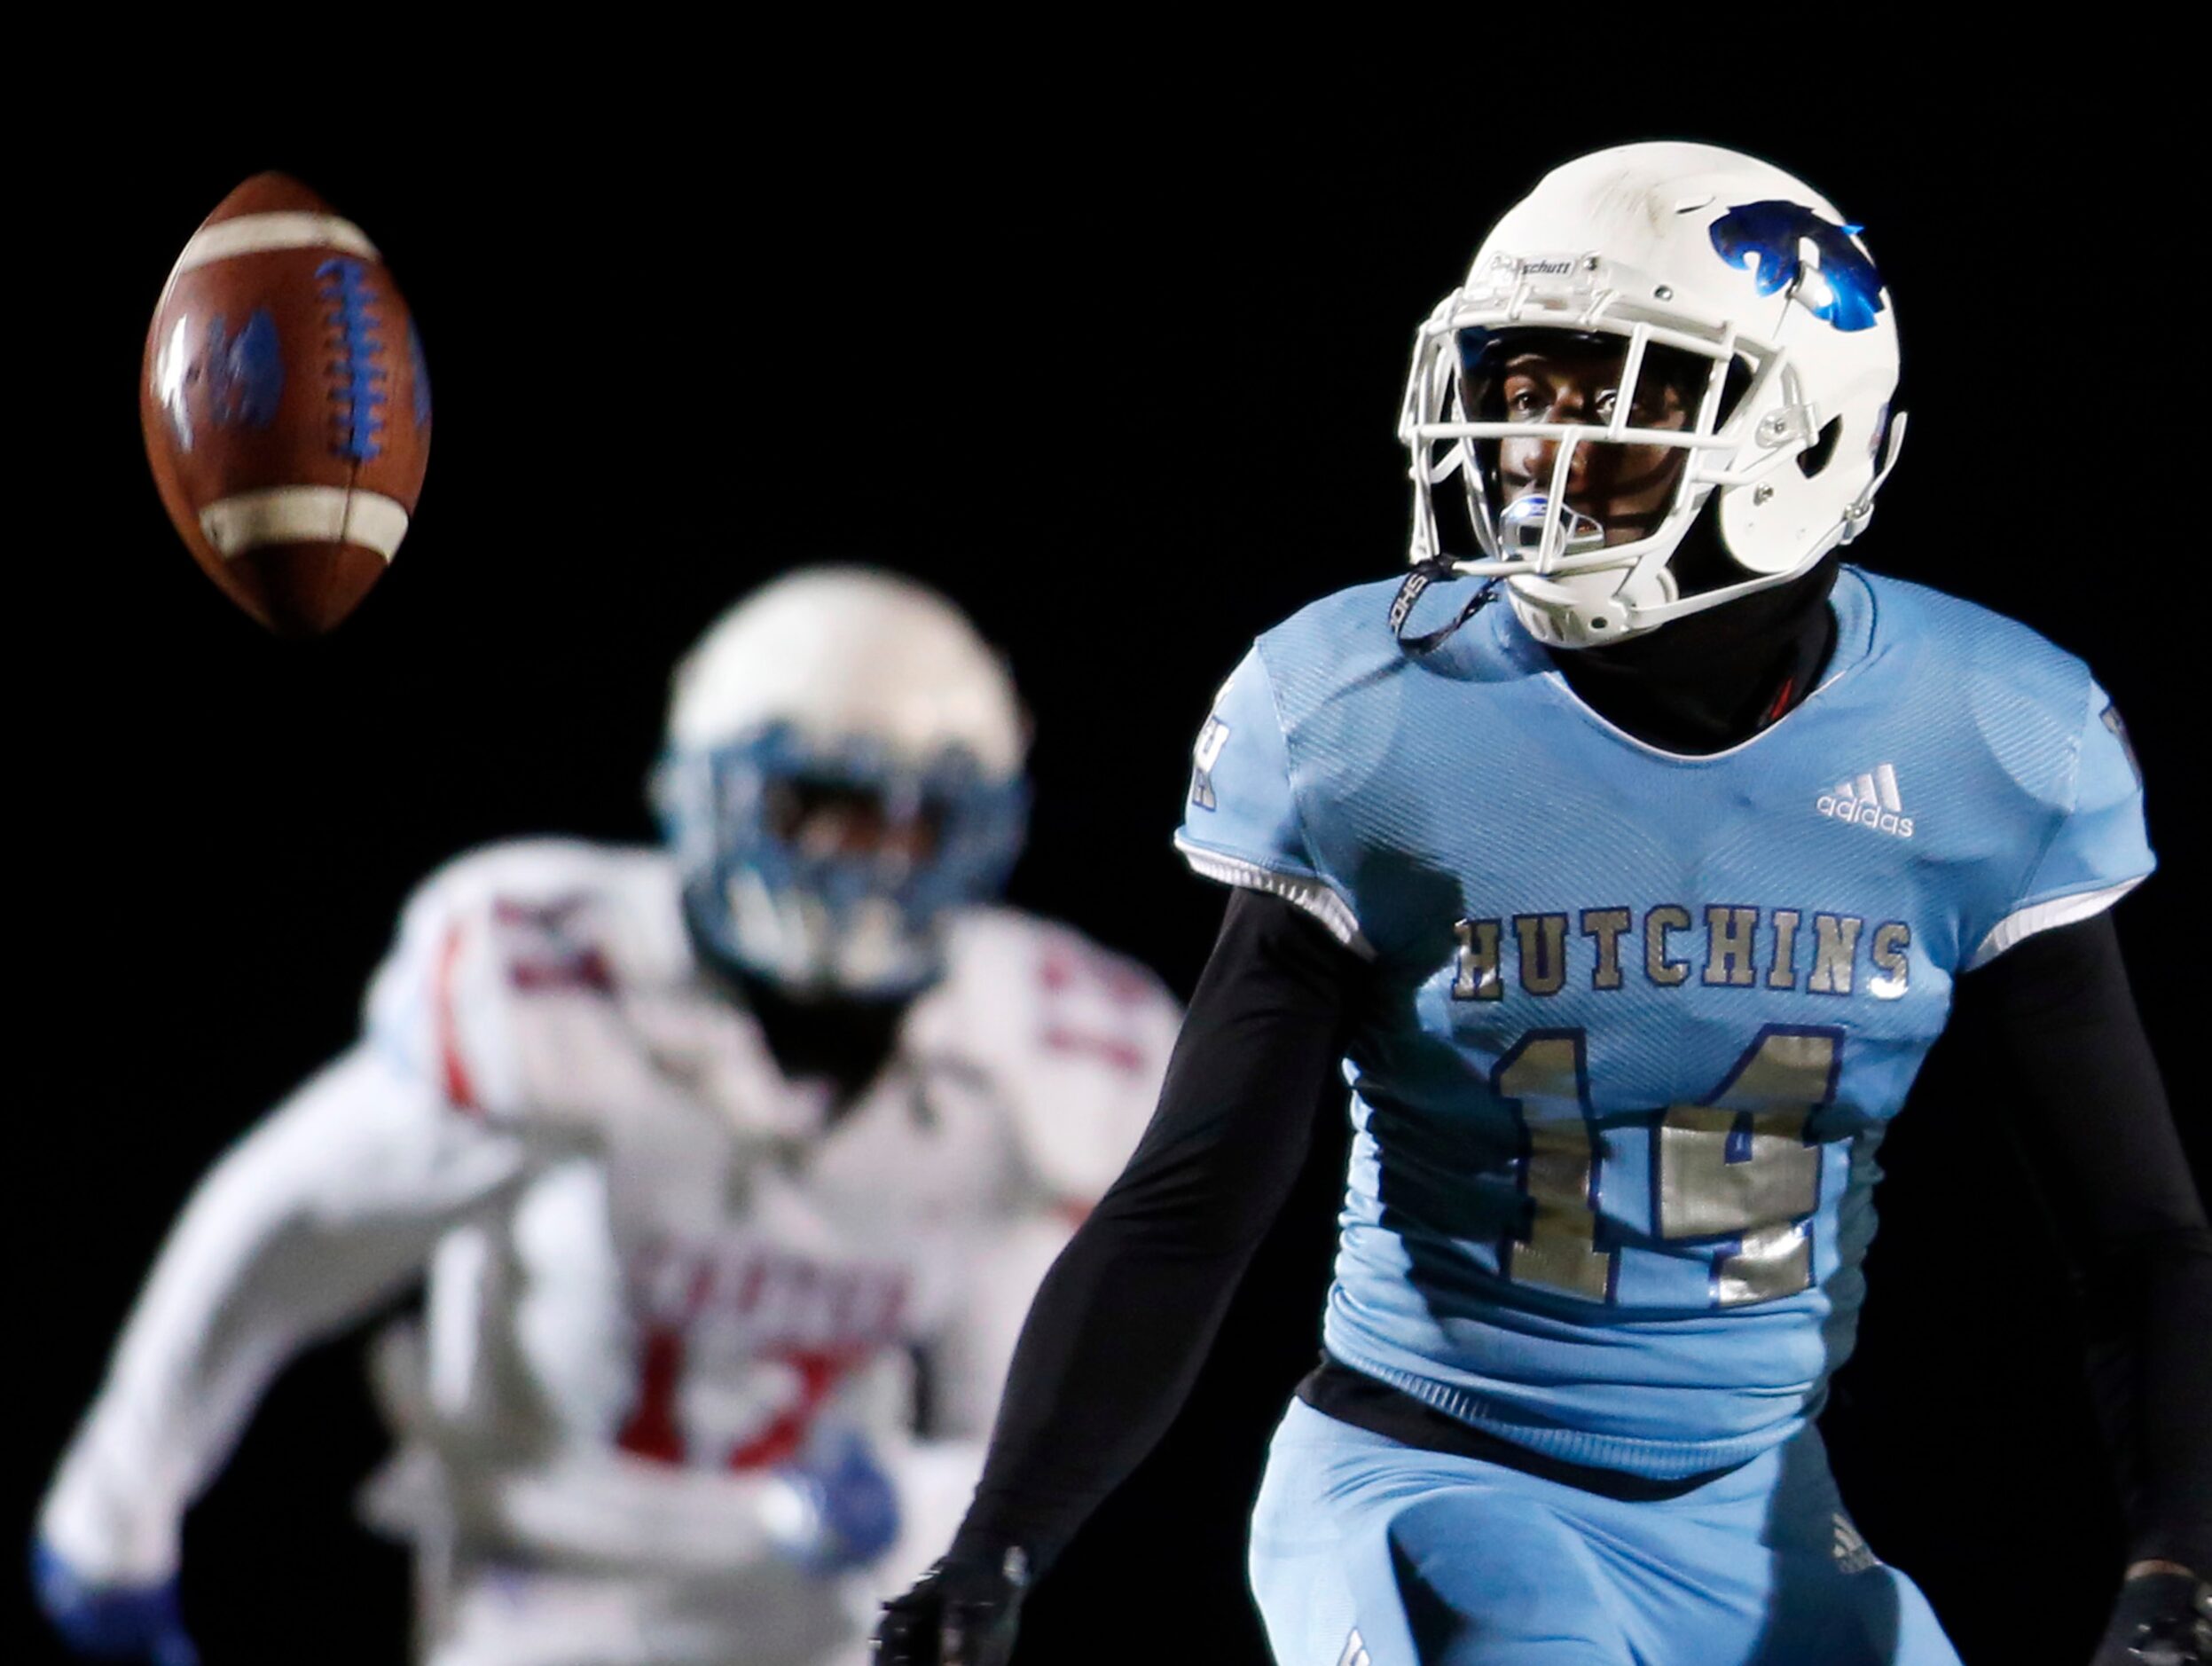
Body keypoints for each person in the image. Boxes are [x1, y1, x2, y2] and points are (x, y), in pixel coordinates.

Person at [876, 144, 2210, 1666]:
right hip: (1429, 1473)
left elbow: (2137, 1235)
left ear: (1798, 439)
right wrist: (999, 1541)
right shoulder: (1370, 712)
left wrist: (2175, 1564)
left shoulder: (1989, 733)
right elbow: (1192, 1199)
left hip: (1760, 1508)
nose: (1533, 447)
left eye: (1609, 399)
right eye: (1519, 389)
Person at [33, 567, 1181, 1666]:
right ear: (710, 789)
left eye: (908, 822)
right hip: (545, 1579)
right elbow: (289, 1236)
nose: (862, 862)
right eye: (813, 806)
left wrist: (918, 1509)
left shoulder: (1043, 1058)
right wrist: (120, 1495)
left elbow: (1021, 1437)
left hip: (824, 1599)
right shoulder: (549, 981)